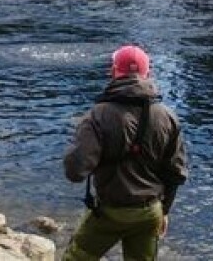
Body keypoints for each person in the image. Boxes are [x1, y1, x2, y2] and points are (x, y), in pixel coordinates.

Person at [63, 45, 188, 261]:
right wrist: (164, 211)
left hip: (109, 212)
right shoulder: (168, 117)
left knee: (76, 257)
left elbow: (75, 172)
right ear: (148, 74)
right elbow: (176, 173)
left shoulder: (97, 116)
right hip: (150, 212)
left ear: (113, 72)